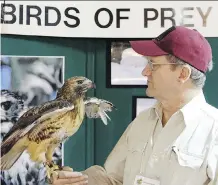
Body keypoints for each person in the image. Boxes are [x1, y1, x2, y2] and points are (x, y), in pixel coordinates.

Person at [52, 26, 218, 185]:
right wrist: (77, 181)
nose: (145, 72)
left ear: (183, 73)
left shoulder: (214, 131)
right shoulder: (143, 122)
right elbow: (113, 180)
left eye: (153, 65)